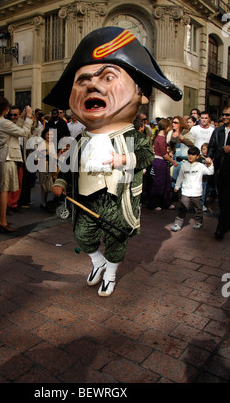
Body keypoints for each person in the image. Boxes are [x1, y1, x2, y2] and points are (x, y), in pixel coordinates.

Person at [44, 26, 182, 297]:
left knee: (116, 241)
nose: (92, 85)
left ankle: (110, 274)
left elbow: (145, 157)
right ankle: (97, 263)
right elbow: (70, 166)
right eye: (82, 81)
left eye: (108, 77)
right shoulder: (81, 138)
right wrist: (60, 181)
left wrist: (124, 158)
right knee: (83, 236)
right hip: (85, 198)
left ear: (141, 94)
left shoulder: (134, 134)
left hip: (117, 200)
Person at [0, 97, 33, 232]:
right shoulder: (3, 122)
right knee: (4, 190)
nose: (9, 109)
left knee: (0, 189)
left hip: (1, 157)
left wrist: (21, 118)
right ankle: (2, 222)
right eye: (7, 107)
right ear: (4, 108)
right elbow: (24, 132)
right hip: (7, 158)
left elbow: (14, 128)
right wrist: (29, 117)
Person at [170, 146, 214, 232]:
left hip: (196, 192)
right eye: (189, 154)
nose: (191, 156)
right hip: (185, 192)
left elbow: (210, 172)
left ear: (197, 156)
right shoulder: (184, 165)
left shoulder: (200, 166)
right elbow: (180, 177)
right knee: (183, 207)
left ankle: (199, 221)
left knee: (198, 208)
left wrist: (210, 164)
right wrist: (177, 186)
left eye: (193, 155)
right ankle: (178, 224)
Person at [207, 107, 230, 239]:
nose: (224, 117)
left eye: (227, 115)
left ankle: (221, 228)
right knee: (222, 199)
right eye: (223, 114)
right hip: (220, 171)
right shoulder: (218, 131)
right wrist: (209, 157)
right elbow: (211, 147)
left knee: (227, 199)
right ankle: (226, 222)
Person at [147, 118, 178, 211]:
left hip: (161, 162)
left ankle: (165, 202)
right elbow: (164, 154)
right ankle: (155, 203)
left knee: (166, 183)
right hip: (160, 162)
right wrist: (173, 162)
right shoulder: (160, 138)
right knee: (159, 184)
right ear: (166, 127)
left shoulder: (160, 137)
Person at [167, 115, 195, 189]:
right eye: (173, 122)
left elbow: (192, 143)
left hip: (184, 159)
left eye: (176, 122)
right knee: (173, 179)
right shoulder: (171, 133)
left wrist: (182, 138)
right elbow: (169, 145)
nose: (173, 124)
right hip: (174, 158)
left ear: (180, 124)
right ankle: (174, 197)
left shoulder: (185, 132)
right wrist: (170, 151)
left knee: (184, 181)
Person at [37, 128, 58, 209]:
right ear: (44, 135)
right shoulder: (42, 144)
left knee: (48, 183)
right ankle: (43, 203)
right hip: (44, 165)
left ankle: (45, 202)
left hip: (51, 166)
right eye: (48, 134)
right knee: (43, 185)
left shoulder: (52, 144)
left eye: (51, 134)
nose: (50, 136)